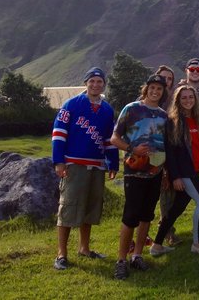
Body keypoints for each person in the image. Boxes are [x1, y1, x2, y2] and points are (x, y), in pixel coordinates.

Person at [51, 67, 118, 270]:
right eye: (92, 81)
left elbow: (110, 139)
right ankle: (61, 254)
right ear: (86, 83)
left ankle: (84, 248)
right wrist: (58, 161)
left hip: (97, 165)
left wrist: (113, 162)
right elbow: (59, 133)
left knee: (90, 207)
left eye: (99, 82)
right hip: (74, 164)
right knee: (69, 206)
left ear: (104, 85)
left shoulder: (107, 110)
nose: (96, 85)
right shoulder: (71, 104)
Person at [110, 74, 168, 280]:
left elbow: (166, 145)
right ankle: (121, 260)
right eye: (152, 87)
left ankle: (137, 256)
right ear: (146, 89)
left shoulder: (163, 115)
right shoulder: (131, 109)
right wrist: (132, 148)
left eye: (159, 89)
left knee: (147, 216)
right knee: (130, 216)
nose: (155, 91)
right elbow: (114, 138)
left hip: (156, 173)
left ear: (163, 92)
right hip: (134, 172)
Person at [150, 85, 199, 257]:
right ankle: (198, 244)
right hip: (185, 173)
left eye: (191, 97)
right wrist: (175, 176)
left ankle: (156, 245)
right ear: (178, 101)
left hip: (195, 171)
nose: (188, 100)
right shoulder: (173, 122)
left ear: (195, 100)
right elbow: (170, 153)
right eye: (184, 97)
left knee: (176, 209)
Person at [152, 65, 182, 247]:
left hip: (170, 155)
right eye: (163, 77)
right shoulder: (146, 100)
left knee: (167, 195)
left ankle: (168, 232)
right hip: (150, 156)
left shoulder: (174, 101)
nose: (166, 81)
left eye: (169, 78)